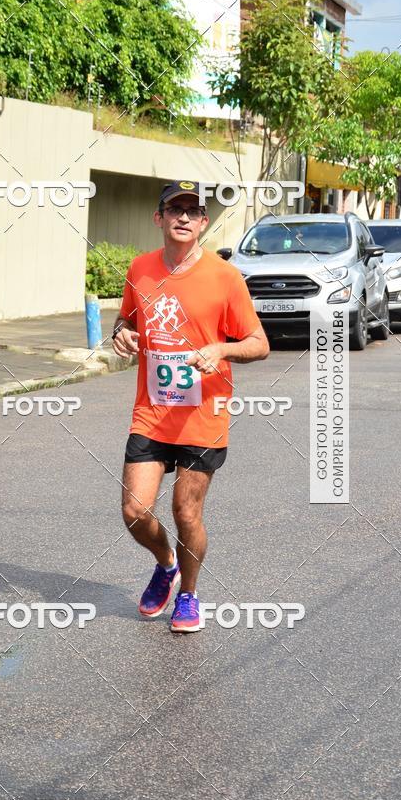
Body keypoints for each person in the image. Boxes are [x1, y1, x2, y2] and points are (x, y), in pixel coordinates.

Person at [112, 180, 270, 632]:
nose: (183, 217)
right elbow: (125, 318)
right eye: (173, 209)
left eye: (192, 211)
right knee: (134, 511)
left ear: (203, 222)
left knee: (187, 512)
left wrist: (220, 350)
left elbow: (259, 344)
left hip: (205, 414)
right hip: (152, 411)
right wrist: (120, 333)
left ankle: (189, 596)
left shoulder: (225, 278)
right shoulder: (140, 269)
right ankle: (166, 564)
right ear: (158, 218)